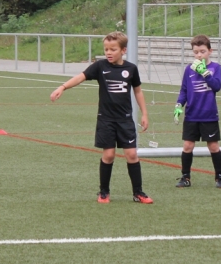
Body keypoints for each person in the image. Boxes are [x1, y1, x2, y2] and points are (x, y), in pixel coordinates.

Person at [50, 31, 152, 204]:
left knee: (132, 154)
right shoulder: (100, 66)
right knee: (109, 155)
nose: (108, 53)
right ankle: (104, 192)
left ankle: (138, 193)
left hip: (125, 120)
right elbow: (81, 77)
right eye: (106, 49)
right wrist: (62, 87)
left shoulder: (131, 69)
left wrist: (144, 114)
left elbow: (138, 91)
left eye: (113, 49)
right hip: (106, 120)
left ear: (123, 50)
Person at [174, 35, 221, 189]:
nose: (199, 55)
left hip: (209, 115)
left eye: (202, 51)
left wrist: (205, 73)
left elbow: (217, 86)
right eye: (196, 52)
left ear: (210, 51)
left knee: (213, 146)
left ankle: (219, 177)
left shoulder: (215, 68)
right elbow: (184, 90)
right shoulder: (188, 69)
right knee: (187, 146)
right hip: (192, 115)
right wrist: (179, 105)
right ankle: (185, 177)